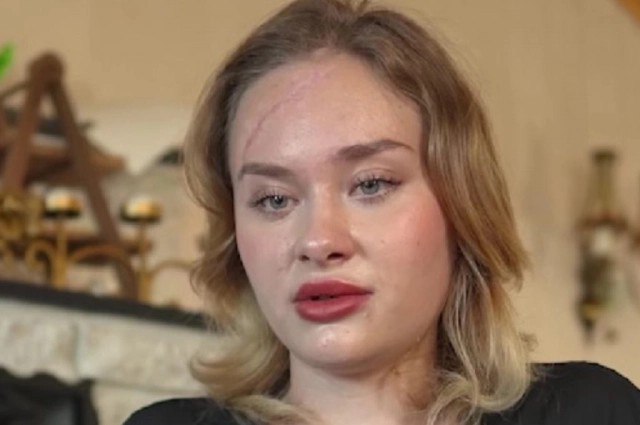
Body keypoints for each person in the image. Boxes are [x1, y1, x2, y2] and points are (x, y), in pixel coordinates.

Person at [125, 0, 640, 424]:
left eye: (371, 184)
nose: (319, 241)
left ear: (461, 204)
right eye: (274, 199)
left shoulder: (589, 411)